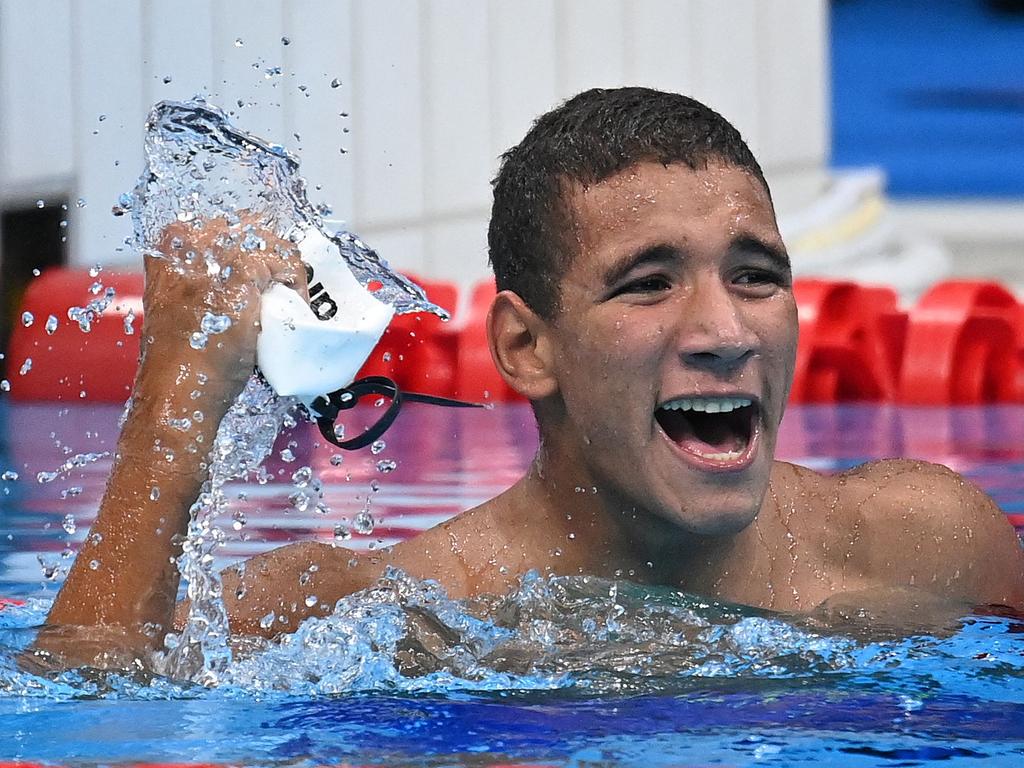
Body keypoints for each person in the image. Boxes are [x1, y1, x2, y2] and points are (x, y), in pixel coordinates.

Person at [38, 87, 1024, 666]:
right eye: (648, 285)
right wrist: (177, 394)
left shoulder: (923, 540)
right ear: (523, 348)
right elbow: (90, 709)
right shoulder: (391, 613)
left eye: (756, 276)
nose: (725, 329)